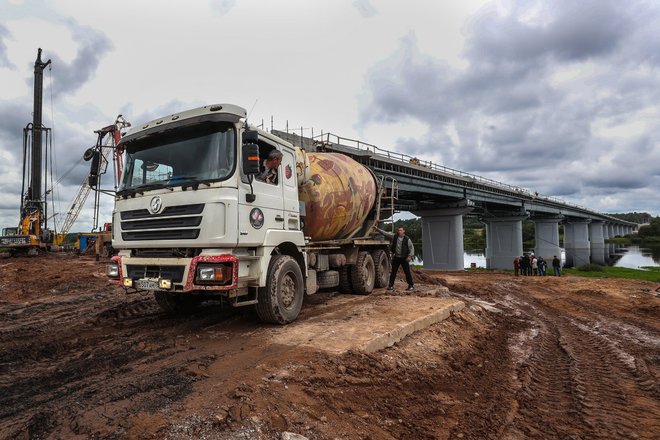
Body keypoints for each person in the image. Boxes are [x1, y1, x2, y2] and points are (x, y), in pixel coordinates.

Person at [387, 227, 415, 291]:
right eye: (399, 230)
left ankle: (411, 286)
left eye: (401, 230)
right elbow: (386, 234)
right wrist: (377, 229)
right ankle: (390, 286)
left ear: (404, 231)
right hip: (396, 258)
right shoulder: (395, 237)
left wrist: (410, 256)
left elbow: (411, 248)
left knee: (407, 272)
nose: (399, 231)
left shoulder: (407, 239)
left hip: (404, 258)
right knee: (393, 272)